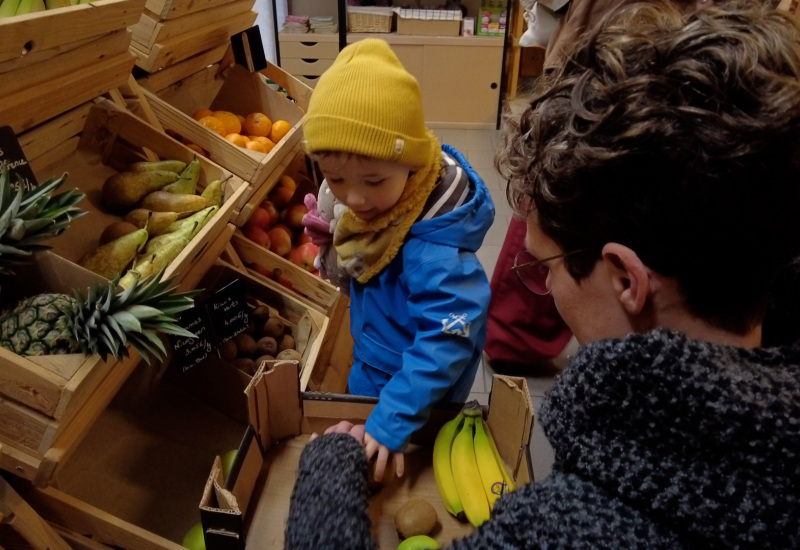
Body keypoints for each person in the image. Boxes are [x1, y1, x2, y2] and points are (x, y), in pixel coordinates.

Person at [285, 1, 800, 547]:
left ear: (625, 279)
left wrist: (326, 477)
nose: (542, 286)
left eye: (540, 265)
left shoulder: (566, 531)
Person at [300, 38, 495, 482]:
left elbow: (449, 337)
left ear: (410, 162)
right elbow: (370, 271)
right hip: (375, 359)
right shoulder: (379, 210)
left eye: (372, 180)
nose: (353, 197)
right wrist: (337, 249)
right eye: (335, 179)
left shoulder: (434, 253)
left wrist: (390, 422)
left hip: (414, 393)